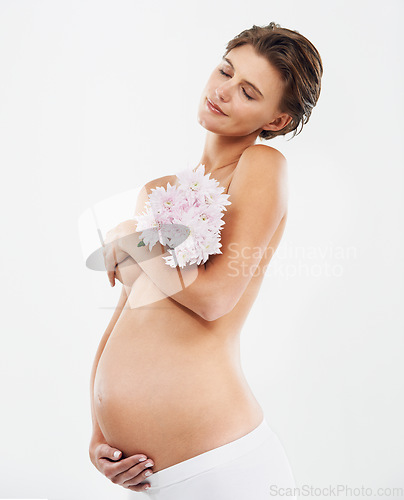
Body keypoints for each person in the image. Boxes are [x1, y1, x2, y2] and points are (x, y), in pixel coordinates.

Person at [88, 21, 323, 499]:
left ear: (275, 121)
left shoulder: (261, 166)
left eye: (249, 91)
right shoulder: (157, 192)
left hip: (223, 468)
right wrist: (98, 434)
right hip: (150, 476)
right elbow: (122, 321)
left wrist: (130, 241)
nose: (223, 91)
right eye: (225, 70)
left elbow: (215, 297)